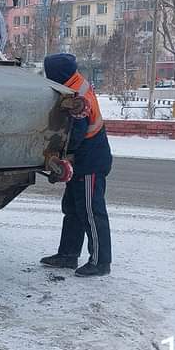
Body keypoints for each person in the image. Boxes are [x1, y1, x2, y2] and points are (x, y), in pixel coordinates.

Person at [39, 53, 113, 277]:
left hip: (90, 161)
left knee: (92, 211)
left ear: (57, 74)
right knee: (72, 208)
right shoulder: (74, 83)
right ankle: (68, 255)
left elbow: (76, 135)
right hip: (83, 160)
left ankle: (101, 262)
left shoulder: (77, 98)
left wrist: (64, 156)